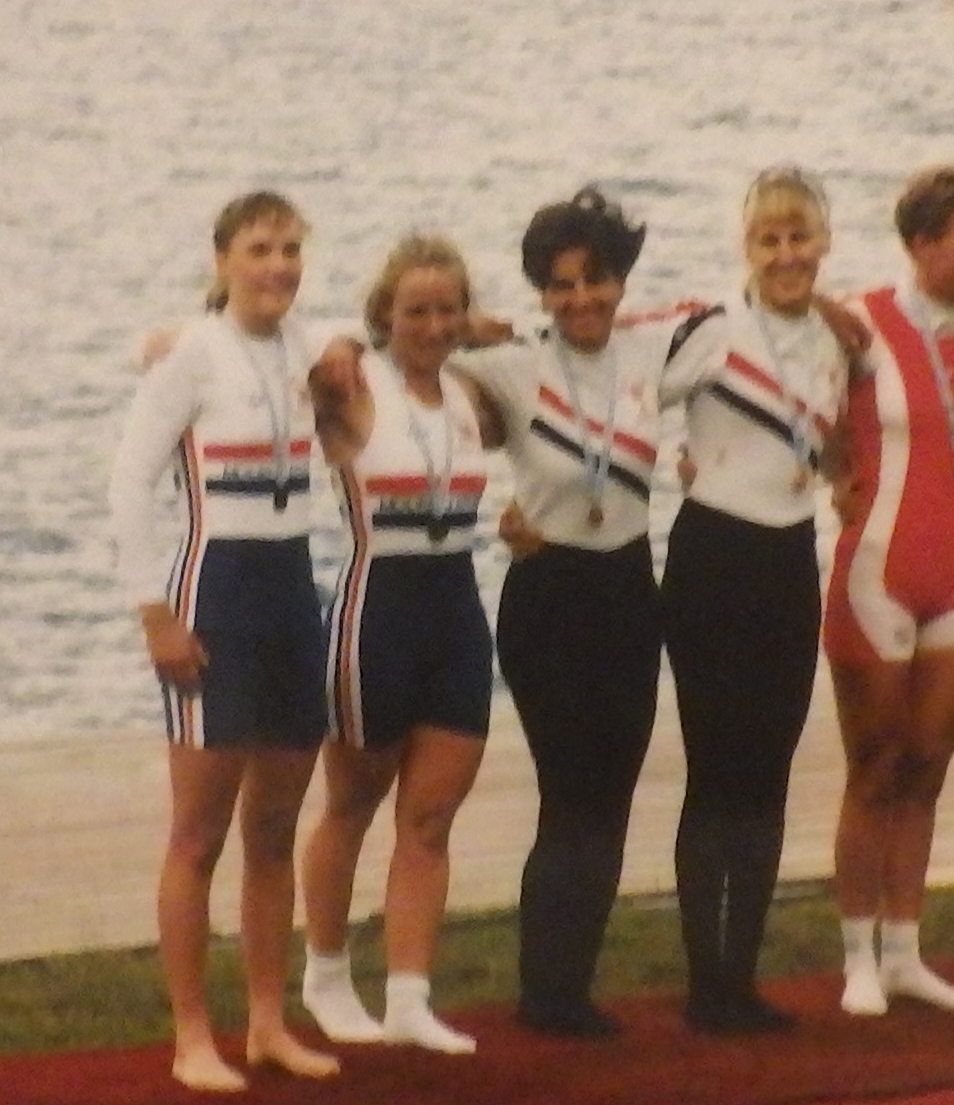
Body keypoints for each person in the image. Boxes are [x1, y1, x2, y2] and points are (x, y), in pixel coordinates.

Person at [457, 187, 702, 1038]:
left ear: (621, 279)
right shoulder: (512, 361)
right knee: (568, 796)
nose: (581, 300)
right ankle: (545, 990)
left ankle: (576, 985)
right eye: (560, 286)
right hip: (547, 597)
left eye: (595, 280)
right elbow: (388, 347)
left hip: (632, 594)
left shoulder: (652, 347)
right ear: (539, 293)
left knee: (613, 795)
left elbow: (740, 325)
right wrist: (472, 327)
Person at [107, 191, 339, 1092]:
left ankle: (270, 1022)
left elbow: (365, 336)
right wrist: (152, 612)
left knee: (275, 828)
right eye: (259, 249)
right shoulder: (194, 357)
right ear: (223, 260)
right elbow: (129, 482)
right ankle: (191, 1033)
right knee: (199, 834)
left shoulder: (304, 345)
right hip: (215, 596)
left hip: (291, 592)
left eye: (289, 249)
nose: (277, 264)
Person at [656, 167, 849, 1034]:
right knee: (715, 771)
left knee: (769, 776)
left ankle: (743, 976)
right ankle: (704, 982)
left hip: (789, 559)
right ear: (746, 247)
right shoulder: (710, 329)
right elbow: (616, 389)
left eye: (799, 236)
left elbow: (843, 441)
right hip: (712, 559)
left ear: (823, 243)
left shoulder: (835, 341)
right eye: (769, 239)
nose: (785, 254)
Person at [297, 236, 494, 1053]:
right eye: (416, 309)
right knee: (351, 804)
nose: (434, 323)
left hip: (456, 615)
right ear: (386, 315)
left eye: (449, 308)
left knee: (431, 817)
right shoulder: (351, 384)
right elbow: (258, 341)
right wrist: (341, 334)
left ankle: (410, 994)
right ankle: (327, 974)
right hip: (374, 613)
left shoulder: (468, 393)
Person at [823, 165, 954, 1018]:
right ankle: (857, 952)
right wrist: (832, 475)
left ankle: (906, 951)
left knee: (927, 766)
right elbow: (785, 386)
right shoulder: (858, 322)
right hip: (878, 571)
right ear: (924, 244)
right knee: (875, 765)